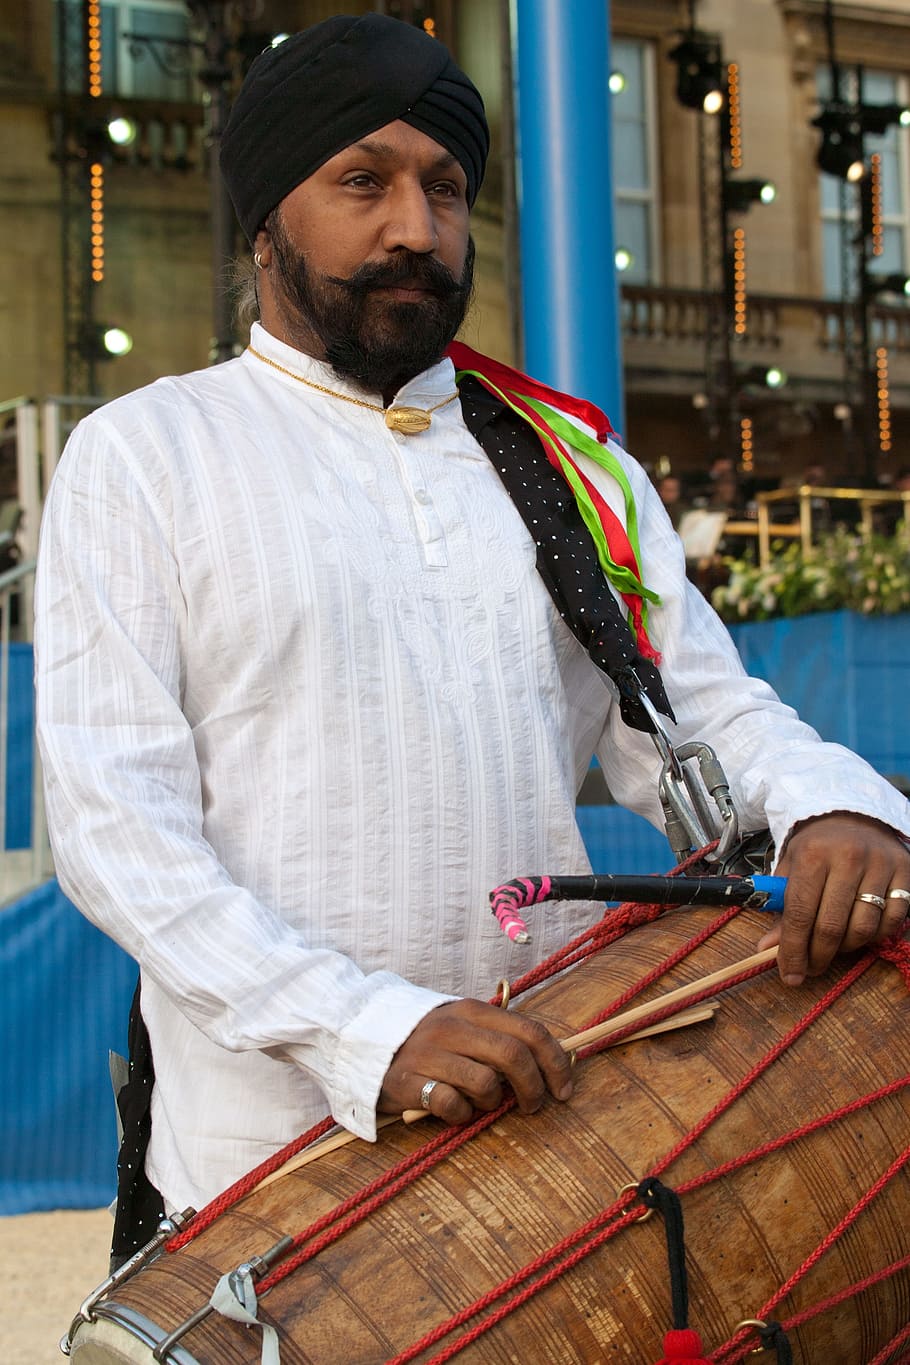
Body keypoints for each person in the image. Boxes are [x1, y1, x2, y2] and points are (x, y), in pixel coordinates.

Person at [34, 13, 910, 1265]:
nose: (414, 228)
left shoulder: (566, 460)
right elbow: (119, 831)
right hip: (263, 1177)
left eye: (444, 188)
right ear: (265, 218)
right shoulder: (144, 456)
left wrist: (829, 805)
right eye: (362, 182)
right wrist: (361, 1029)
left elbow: (694, 724)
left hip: (549, 1140)